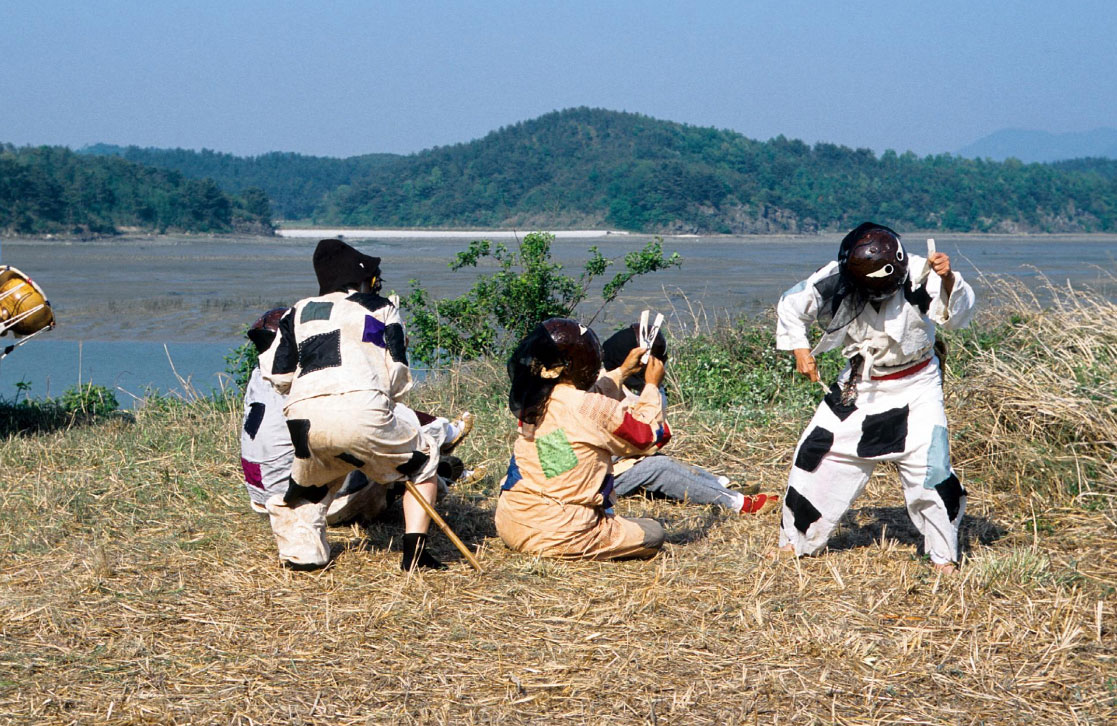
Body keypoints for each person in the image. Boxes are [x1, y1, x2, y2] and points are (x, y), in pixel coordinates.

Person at [774, 222, 976, 572]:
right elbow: (792, 305)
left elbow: (957, 317)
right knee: (815, 454)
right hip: (860, 383)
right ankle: (797, 539)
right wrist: (800, 349)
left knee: (932, 468)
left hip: (917, 385)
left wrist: (947, 279)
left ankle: (943, 556)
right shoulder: (838, 275)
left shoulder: (920, 272)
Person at [258, 238, 456, 572]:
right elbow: (398, 373)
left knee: (311, 485)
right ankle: (415, 553)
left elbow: (278, 375)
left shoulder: (297, 312)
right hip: (364, 412)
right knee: (423, 458)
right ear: (363, 278)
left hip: (304, 422)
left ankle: (305, 553)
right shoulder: (380, 307)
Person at [239, 307, 473, 526]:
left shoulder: (260, 378)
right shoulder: (306, 382)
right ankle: (444, 439)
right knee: (379, 434)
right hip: (309, 503)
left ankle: (444, 465)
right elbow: (379, 415)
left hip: (263, 498)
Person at [495, 318, 668, 560]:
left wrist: (621, 373)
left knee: (557, 467)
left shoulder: (536, 398)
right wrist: (651, 387)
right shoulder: (589, 407)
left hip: (512, 524)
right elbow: (649, 437)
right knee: (653, 532)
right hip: (561, 535)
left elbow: (584, 404)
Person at [601, 323, 778, 514]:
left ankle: (720, 484)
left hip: (608, 464)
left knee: (659, 462)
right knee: (659, 467)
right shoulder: (602, 392)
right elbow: (647, 437)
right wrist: (652, 386)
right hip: (596, 479)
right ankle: (739, 503)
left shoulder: (604, 382)